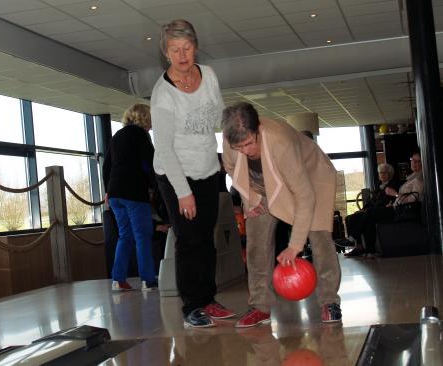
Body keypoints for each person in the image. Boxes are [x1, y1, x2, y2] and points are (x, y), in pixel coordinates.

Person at [222, 102, 342, 327]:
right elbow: (231, 168)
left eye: (249, 143)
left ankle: (329, 301)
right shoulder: (232, 141)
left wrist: (295, 245)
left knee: (320, 238)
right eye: (240, 148)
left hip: (310, 178)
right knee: (256, 243)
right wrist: (251, 198)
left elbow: (305, 196)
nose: (246, 152)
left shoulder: (280, 142)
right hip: (263, 186)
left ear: (257, 128)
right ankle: (259, 306)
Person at [150, 19, 235, 328]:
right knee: (188, 239)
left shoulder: (208, 75)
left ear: (195, 47)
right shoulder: (163, 96)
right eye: (175, 50)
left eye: (186, 48)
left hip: (207, 168)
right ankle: (191, 305)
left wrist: (228, 155)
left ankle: (208, 299)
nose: (182, 55)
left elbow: (221, 116)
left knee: (206, 236)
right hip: (175, 173)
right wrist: (183, 192)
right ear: (166, 53)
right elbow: (165, 149)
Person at [105, 103, 158, 291]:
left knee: (124, 235)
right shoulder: (141, 135)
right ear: (144, 118)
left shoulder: (117, 136)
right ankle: (148, 279)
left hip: (115, 193)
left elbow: (107, 165)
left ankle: (118, 280)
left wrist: (107, 191)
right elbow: (151, 162)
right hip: (134, 192)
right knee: (142, 235)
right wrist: (154, 187)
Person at [355, 150, 424, 256]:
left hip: (402, 211)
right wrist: (395, 200)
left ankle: (355, 237)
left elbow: (413, 199)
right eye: (412, 160)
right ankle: (370, 250)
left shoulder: (419, 180)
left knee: (370, 213)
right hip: (396, 208)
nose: (413, 163)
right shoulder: (412, 178)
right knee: (369, 215)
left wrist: (395, 195)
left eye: (417, 161)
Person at [337, 163, 400, 256]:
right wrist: (362, 210)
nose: (382, 175)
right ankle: (358, 247)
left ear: (390, 174)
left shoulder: (393, 185)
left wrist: (369, 209)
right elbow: (371, 202)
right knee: (350, 217)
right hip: (374, 210)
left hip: (385, 211)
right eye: (380, 173)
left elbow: (393, 200)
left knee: (369, 216)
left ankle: (353, 238)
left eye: (385, 173)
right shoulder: (378, 186)